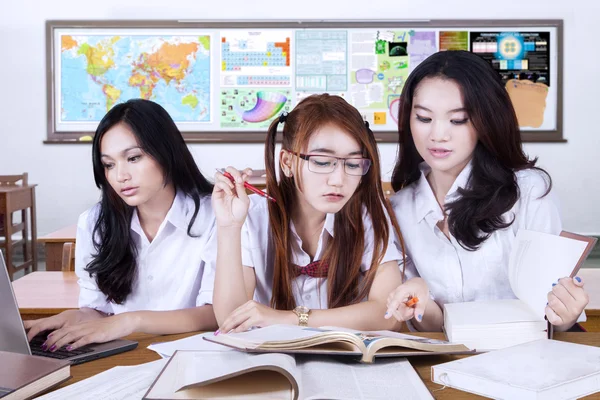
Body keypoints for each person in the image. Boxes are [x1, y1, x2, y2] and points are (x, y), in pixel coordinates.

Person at [385, 50, 588, 332]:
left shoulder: (528, 191)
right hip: (448, 361)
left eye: (457, 120)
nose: (437, 135)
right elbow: (434, 324)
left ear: (486, 121)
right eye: (423, 118)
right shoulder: (398, 208)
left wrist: (566, 312)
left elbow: (553, 317)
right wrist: (419, 299)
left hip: (526, 358)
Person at [24, 99, 218, 352]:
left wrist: (131, 320)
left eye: (133, 158)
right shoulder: (95, 223)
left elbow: (216, 314)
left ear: (167, 152)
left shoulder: (214, 215)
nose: (120, 176)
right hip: (126, 358)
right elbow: (101, 313)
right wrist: (76, 317)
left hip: (195, 355)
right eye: (109, 164)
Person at [212, 94, 406, 333]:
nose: (338, 180)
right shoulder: (254, 216)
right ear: (287, 163)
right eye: (322, 162)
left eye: (353, 164)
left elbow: (388, 314)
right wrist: (229, 227)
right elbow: (231, 320)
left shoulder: (366, 215)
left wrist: (288, 318)